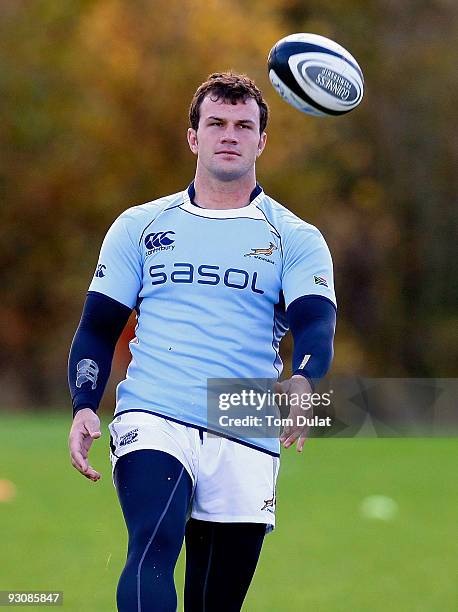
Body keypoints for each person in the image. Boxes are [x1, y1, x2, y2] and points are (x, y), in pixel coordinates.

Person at [68, 72, 336, 612]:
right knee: (152, 547)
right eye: (215, 123)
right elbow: (96, 328)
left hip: (244, 414)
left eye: (243, 125)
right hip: (155, 410)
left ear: (262, 141)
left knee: (215, 601)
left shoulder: (296, 237)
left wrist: (304, 378)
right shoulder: (140, 225)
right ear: (194, 137)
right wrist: (84, 405)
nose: (229, 135)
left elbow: (315, 322)